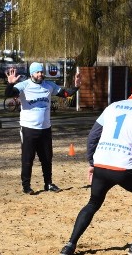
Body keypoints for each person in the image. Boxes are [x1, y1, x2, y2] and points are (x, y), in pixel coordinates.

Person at [59, 73, 132, 255]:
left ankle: (69, 245)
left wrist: (92, 163)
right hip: (124, 169)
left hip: (102, 165)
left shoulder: (112, 106)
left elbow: (92, 137)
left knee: (93, 203)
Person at [5, 63, 79, 195]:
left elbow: (66, 93)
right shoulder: (24, 85)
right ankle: (26, 186)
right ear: (32, 73)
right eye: (37, 72)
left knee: (47, 158)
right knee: (28, 158)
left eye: (41, 72)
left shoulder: (49, 85)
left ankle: (48, 183)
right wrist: (10, 84)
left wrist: (76, 86)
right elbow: (9, 94)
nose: (40, 74)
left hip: (45, 128)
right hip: (29, 128)